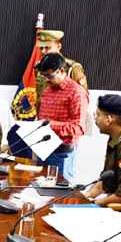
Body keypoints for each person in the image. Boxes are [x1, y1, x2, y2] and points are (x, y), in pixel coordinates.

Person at [35, 53, 88, 181]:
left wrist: (51, 125)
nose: (46, 80)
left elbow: (78, 128)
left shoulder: (76, 92)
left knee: (58, 190)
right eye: (43, 75)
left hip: (61, 153)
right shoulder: (47, 90)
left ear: (62, 70)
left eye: (49, 76)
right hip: (42, 150)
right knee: (38, 188)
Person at [86, 94, 121, 206]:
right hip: (116, 201)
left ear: (108, 119)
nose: (95, 118)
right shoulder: (116, 138)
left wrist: (94, 204)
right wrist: (87, 197)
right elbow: (104, 181)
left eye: (98, 115)